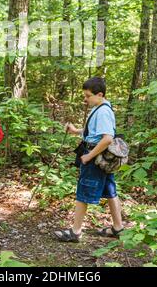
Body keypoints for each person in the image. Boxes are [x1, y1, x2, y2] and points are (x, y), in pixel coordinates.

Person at [54, 76, 124, 242]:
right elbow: (93, 132)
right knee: (110, 191)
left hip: (95, 158)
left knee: (83, 192)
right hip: (99, 159)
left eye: (87, 96)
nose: (85, 99)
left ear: (99, 94)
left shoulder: (104, 112)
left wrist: (88, 156)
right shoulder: (99, 107)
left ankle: (75, 232)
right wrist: (76, 131)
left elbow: (107, 138)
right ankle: (118, 228)